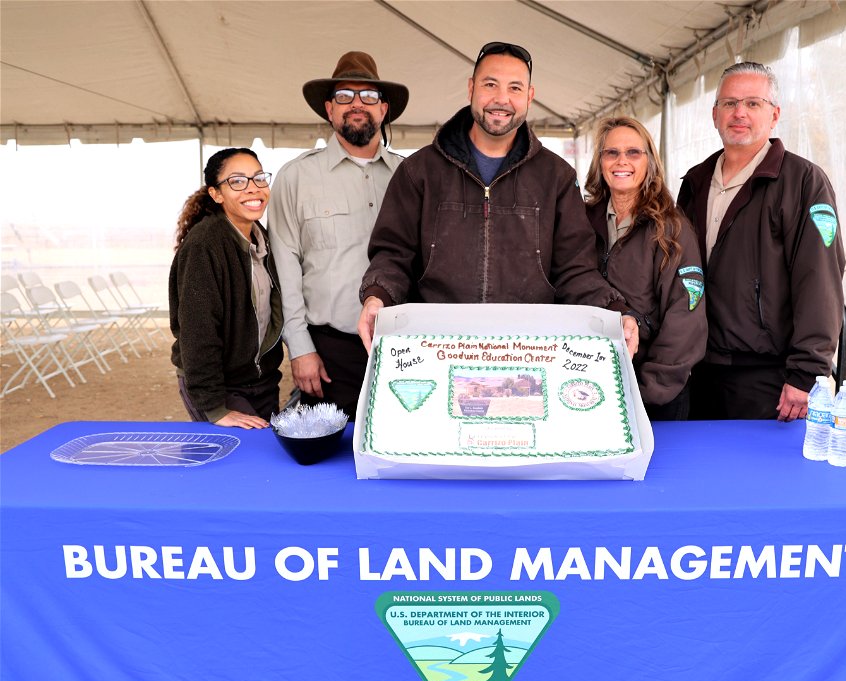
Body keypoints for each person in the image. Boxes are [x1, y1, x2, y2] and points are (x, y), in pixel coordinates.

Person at [358, 41, 639, 355]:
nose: (502, 99)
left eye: (515, 88)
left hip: (527, 352)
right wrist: (376, 296)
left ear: (530, 96)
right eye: (490, 84)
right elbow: (393, 255)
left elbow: (575, 270)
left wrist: (616, 312)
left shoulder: (556, 177)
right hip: (436, 350)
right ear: (471, 88)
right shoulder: (418, 171)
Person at [677, 61, 845, 421]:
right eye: (729, 103)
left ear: (774, 114)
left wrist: (806, 372)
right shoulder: (695, 181)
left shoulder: (803, 182)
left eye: (753, 103)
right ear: (714, 114)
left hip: (768, 377)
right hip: (698, 369)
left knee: (757, 477)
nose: (740, 113)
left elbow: (819, 280)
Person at [269, 51, 408, 420]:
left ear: (384, 110)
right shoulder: (295, 177)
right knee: (328, 463)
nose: (356, 104)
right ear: (329, 109)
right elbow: (285, 268)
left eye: (369, 96)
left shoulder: (411, 176)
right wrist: (300, 348)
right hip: (330, 351)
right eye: (345, 96)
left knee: (402, 454)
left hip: (404, 347)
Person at [584, 117, 706, 420]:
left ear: (649, 161)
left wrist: (647, 391)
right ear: (600, 163)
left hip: (652, 395)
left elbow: (685, 320)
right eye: (611, 153)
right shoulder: (581, 221)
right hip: (586, 384)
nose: (621, 161)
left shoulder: (672, 230)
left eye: (633, 152)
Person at [169, 148, 283, 429]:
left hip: (261, 381)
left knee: (264, 465)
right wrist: (214, 408)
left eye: (258, 178)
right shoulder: (204, 245)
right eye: (237, 181)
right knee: (241, 463)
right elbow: (197, 330)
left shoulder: (262, 238)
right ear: (216, 194)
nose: (252, 188)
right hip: (220, 386)